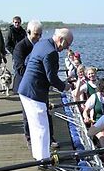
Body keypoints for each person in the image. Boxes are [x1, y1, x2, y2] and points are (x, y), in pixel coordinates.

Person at [18, 28, 73, 161]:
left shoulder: (41, 44)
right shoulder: (51, 52)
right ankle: (44, 159)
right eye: (67, 45)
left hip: (25, 90)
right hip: (34, 93)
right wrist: (65, 86)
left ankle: (39, 156)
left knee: (35, 127)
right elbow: (52, 78)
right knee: (42, 128)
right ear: (61, 40)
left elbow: (27, 61)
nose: (66, 48)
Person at [12, 20, 43, 148]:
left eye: (40, 35)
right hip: (24, 84)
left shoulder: (40, 45)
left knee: (43, 110)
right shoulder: (20, 47)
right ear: (28, 32)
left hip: (37, 84)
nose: (38, 37)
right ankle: (29, 137)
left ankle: (49, 136)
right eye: (36, 34)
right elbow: (19, 68)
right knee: (27, 112)